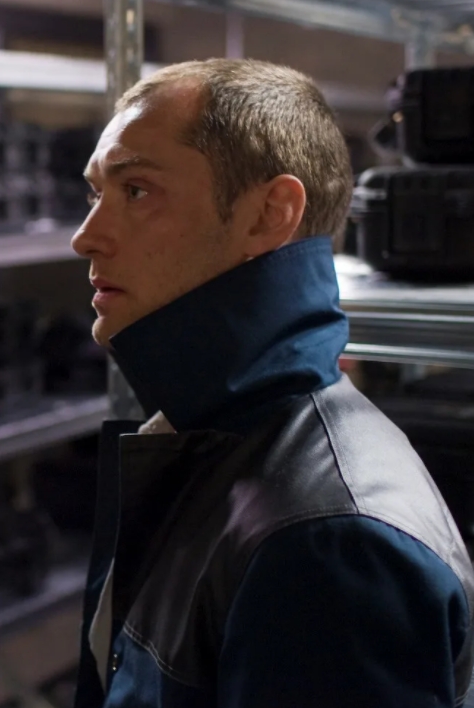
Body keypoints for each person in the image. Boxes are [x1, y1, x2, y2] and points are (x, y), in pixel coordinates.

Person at [71, 58, 474, 708]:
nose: (85, 238)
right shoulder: (212, 438)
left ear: (269, 214)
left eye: (137, 191)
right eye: (96, 194)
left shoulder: (330, 543)